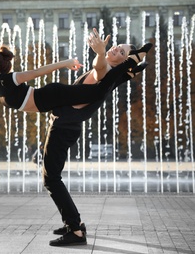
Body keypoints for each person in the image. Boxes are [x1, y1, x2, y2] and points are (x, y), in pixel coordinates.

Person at [45, 29, 152, 247]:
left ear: (122, 60)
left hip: (63, 126)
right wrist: (126, 69)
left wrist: (101, 54)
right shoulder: (112, 75)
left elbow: (98, 68)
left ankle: (75, 230)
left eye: (120, 51)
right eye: (118, 46)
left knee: (51, 179)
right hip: (67, 126)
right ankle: (74, 223)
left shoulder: (104, 71)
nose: (116, 48)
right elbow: (113, 76)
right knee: (52, 177)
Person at [0, 33, 151, 113]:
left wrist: (64, 62)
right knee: (98, 91)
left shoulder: (11, 79)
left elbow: (39, 71)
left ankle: (129, 66)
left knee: (97, 92)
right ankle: (128, 72)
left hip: (51, 96)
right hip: (49, 102)